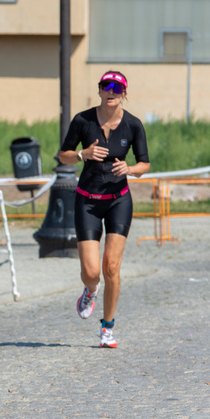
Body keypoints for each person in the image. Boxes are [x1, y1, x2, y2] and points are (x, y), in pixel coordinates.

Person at [58, 71, 150, 349]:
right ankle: (90, 290)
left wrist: (130, 169)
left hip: (118, 200)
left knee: (111, 266)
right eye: (106, 86)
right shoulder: (82, 120)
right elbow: (63, 155)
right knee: (91, 271)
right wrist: (82, 155)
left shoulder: (133, 125)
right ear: (99, 90)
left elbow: (145, 164)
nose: (111, 91)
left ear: (124, 93)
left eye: (117, 87)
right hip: (87, 200)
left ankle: (107, 328)